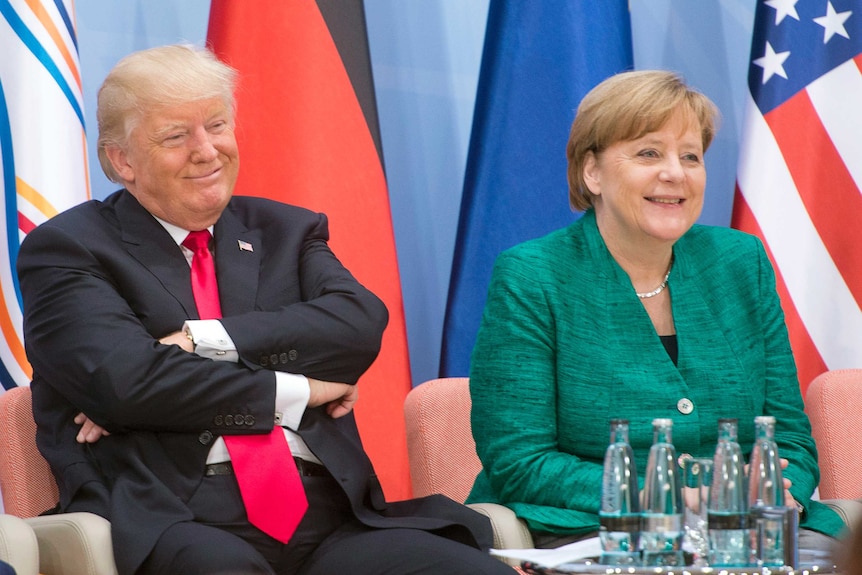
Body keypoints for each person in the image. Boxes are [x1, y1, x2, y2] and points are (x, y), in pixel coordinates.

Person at [17, 44, 513, 575]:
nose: (207, 151)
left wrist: (200, 341)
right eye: (176, 136)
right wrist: (300, 390)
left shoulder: (286, 231)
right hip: (174, 517)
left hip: (333, 516)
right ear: (122, 161)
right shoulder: (68, 249)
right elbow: (127, 383)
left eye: (217, 125)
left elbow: (358, 327)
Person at [466, 70, 847, 554]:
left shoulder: (740, 262)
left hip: (751, 534)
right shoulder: (533, 275)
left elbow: (788, 433)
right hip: (596, 534)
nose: (676, 172)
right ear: (593, 172)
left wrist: (773, 486)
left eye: (691, 156)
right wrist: (681, 496)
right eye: (649, 153)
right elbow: (521, 460)